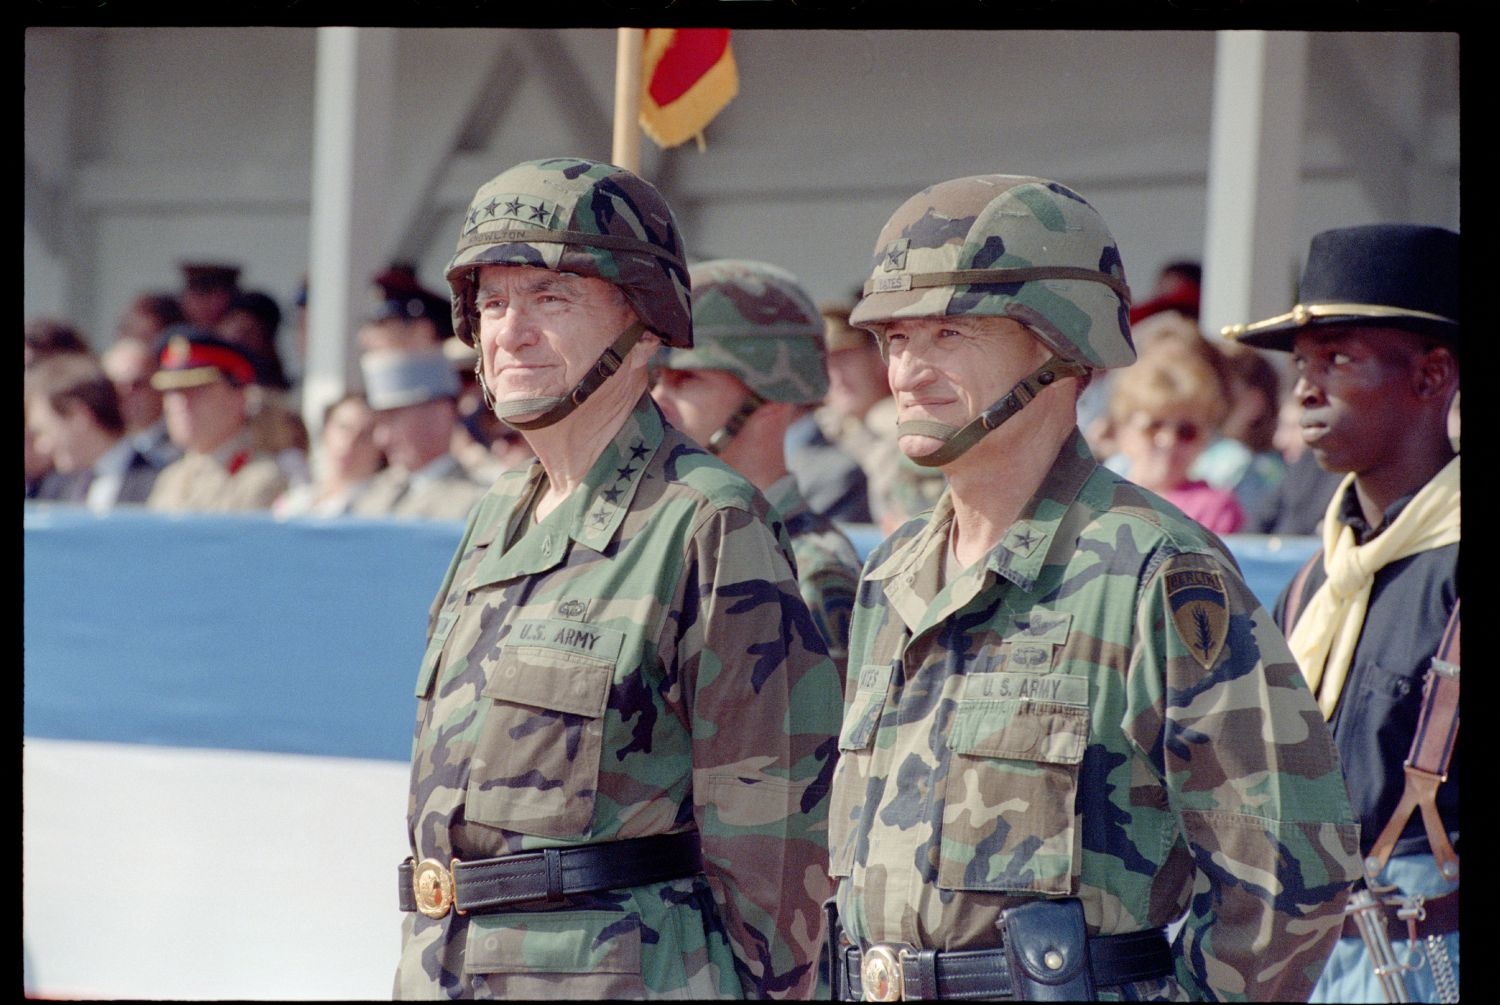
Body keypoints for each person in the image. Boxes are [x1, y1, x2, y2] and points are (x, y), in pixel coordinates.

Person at [825, 173, 1360, 1002]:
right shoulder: (891, 575)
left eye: (949, 331)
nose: (907, 370)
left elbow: (1292, 875)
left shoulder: (1154, 572)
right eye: (894, 336)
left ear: (1060, 343)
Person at [393, 158, 840, 1000]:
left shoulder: (708, 522)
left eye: (551, 299)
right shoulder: (496, 517)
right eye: (493, 301)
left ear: (643, 322)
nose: (511, 331)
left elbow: (774, 864)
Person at [1226, 223, 1461, 1003]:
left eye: (1339, 359)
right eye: (1302, 364)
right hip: (1308, 954)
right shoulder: (1315, 580)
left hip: (1433, 958)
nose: (1305, 388)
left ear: (1431, 377)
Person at [651, 257, 862, 686]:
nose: (656, 400)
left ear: (771, 397)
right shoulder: (666, 539)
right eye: (657, 378)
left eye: (687, 380)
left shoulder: (810, 575)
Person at [1107, 343, 1246, 535]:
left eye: (1186, 431)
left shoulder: (1215, 509)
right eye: (1154, 426)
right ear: (1123, 430)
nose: (1168, 441)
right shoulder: (1098, 499)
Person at [145, 326, 289, 512]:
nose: (181, 402)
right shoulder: (169, 479)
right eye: (173, 391)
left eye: (198, 389)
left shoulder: (262, 478)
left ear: (240, 398)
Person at [348, 348, 489, 522]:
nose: (381, 438)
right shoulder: (370, 493)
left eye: (393, 420)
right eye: (379, 423)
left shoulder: (477, 502)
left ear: (440, 416)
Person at [24, 352, 164, 509]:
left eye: (45, 431)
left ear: (79, 417)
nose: (43, 446)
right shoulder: (55, 488)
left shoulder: (160, 483)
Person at [272, 391, 384, 518]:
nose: (351, 442)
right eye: (344, 428)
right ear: (326, 430)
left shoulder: (381, 505)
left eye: (364, 435)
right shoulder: (296, 499)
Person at [100, 335, 182, 473]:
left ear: (160, 386)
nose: (124, 394)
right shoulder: (99, 448)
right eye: (114, 386)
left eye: (136, 385)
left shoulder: (180, 444)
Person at [178, 262, 241, 329]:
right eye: (200, 296)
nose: (204, 306)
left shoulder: (239, 336)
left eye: (217, 297)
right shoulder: (174, 333)